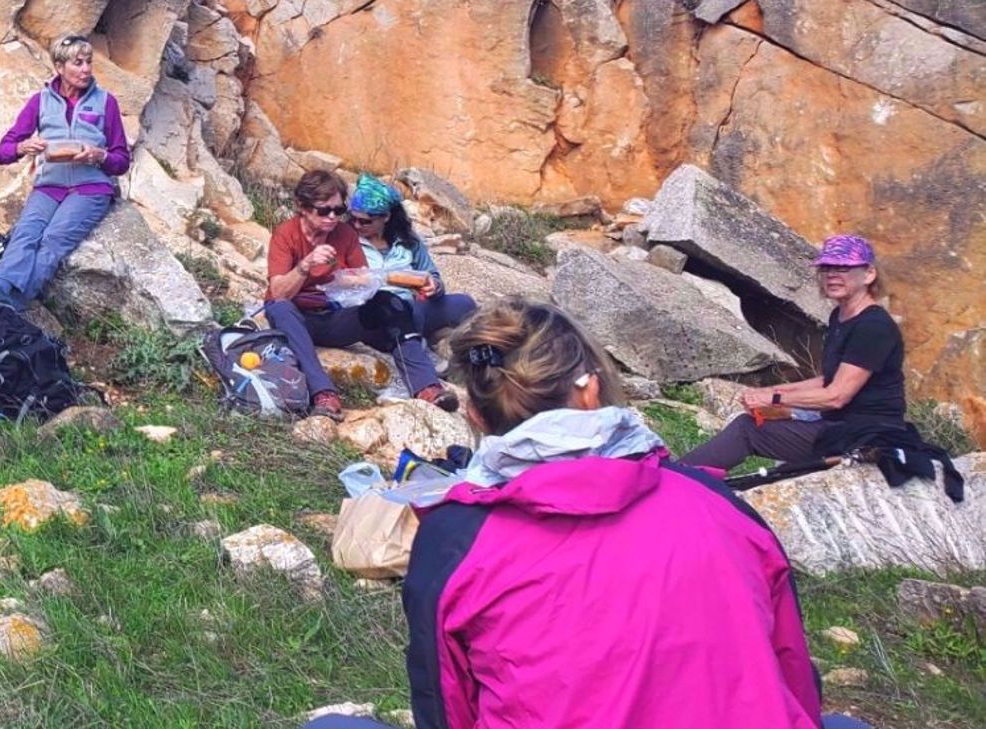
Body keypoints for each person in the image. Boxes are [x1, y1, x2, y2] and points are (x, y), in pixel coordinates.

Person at [305, 298, 865, 729]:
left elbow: (447, 710)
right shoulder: (718, 504)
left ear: (475, 416)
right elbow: (794, 679)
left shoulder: (455, 538)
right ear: (592, 391)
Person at [682, 234, 906, 471]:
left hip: (864, 434)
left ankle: (674, 478)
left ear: (869, 274)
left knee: (747, 431)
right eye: (826, 268)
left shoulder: (873, 327)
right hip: (841, 426)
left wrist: (775, 398)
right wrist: (770, 390)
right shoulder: (841, 317)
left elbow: (836, 396)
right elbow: (827, 380)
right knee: (763, 435)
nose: (832, 275)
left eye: (843, 268)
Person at [262, 171, 457, 420]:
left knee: (389, 304)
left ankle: (426, 386)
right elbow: (279, 293)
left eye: (338, 210)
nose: (332, 218)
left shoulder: (345, 235)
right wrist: (305, 265)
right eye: (324, 211)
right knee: (280, 309)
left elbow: (364, 280)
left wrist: (369, 280)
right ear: (302, 206)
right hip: (299, 317)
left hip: (334, 314)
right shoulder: (286, 234)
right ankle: (323, 393)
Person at [0, 33, 130, 308]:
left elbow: (122, 160)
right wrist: (23, 147)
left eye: (88, 62)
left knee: (53, 239)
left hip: (90, 188)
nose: (86, 69)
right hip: (49, 186)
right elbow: (2, 152)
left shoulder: (105, 102)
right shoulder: (40, 101)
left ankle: (13, 305)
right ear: (59, 67)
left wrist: (100, 156)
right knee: (25, 234)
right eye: (78, 63)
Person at [345, 173, 477, 351]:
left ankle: (429, 339)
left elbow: (431, 274)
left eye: (365, 221)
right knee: (408, 312)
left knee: (464, 303)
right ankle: (413, 345)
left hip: (412, 303)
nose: (357, 225)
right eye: (353, 219)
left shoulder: (408, 241)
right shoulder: (347, 239)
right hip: (374, 310)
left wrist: (434, 286)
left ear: (386, 217)